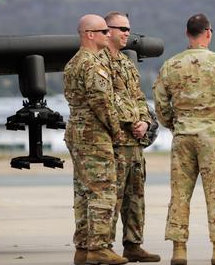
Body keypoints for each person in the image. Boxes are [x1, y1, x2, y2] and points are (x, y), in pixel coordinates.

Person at [153, 13, 215, 265]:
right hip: (213, 137)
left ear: (187, 34)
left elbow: (160, 105)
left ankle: (179, 250)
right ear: (208, 33)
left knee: (179, 194)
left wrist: (176, 124)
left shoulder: (171, 65)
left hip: (183, 137)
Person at [63, 14, 127, 265]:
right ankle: (99, 247)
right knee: (103, 190)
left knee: (83, 192)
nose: (108, 35)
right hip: (94, 134)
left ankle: (83, 248)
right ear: (90, 35)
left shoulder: (72, 63)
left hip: (77, 133)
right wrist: (117, 131)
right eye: (103, 32)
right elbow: (102, 103)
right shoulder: (92, 64)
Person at [101, 11, 160, 262]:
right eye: (121, 28)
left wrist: (145, 122)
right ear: (107, 30)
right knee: (111, 197)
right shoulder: (98, 62)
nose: (127, 33)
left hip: (134, 142)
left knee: (135, 197)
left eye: (128, 29)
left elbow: (138, 98)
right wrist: (128, 121)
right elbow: (103, 102)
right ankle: (105, 245)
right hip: (113, 141)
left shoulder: (126, 63)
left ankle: (133, 244)